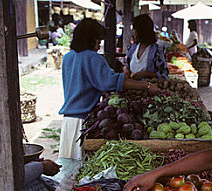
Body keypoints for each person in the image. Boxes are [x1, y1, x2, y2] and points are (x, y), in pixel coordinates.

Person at [58, 18, 161, 160]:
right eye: (98, 42)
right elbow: (111, 82)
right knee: (80, 168)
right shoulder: (93, 58)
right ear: (91, 40)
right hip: (82, 124)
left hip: (68, 122)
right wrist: (146, 85)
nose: (98, 46)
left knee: (69, 168)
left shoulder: (68, 57)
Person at [124, 15, 169, 80]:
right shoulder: (132, 48)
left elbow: (164, 74)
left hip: (150, 88)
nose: (133, 32)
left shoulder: (157, 50)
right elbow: (127, 66)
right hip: (132, 88)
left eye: (134, 29)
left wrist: (145, 74)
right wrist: (126, 71)